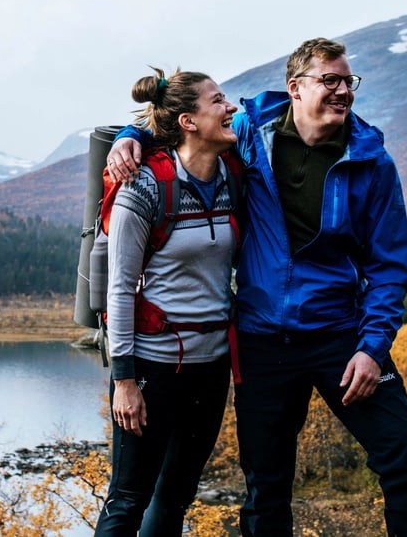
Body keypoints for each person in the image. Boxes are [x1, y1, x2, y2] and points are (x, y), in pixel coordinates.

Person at [108, 38, 407, 536]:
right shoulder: (249, 133)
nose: (342, 91)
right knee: (266, 485)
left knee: (402, 458)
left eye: (348, 81)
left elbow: (390, 268)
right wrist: (125, 136)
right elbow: (183, 123)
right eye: (329, 80)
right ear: (295, 88)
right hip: (263, 342)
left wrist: (373, 349)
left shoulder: (373, 163)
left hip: (342, 338)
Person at [94, 67, 240, 536]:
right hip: (154, 372)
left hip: (212, 369)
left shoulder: (234, 176)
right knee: (128, 499)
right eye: (218, 100)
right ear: (188, 122)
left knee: (176, 496)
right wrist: (124, 381)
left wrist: (130, 131)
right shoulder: (144, 187)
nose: (230, 107)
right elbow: (119, 288)